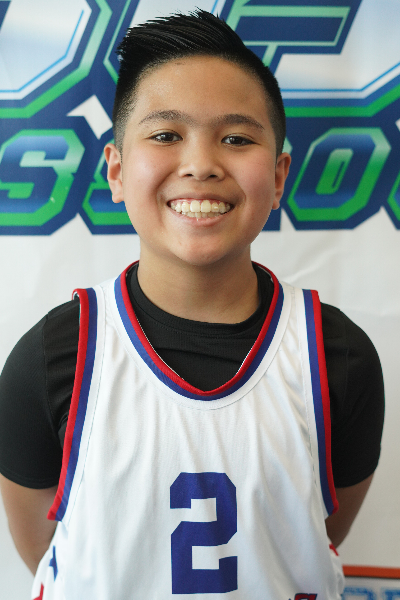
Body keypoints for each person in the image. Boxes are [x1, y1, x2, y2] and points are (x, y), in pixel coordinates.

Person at [0, 10, 384, 600]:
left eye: (237, 138)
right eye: (165, 135)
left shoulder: (339, 357)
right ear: (117, 171)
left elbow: (318, 534)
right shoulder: (52, 359)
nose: (201, 164)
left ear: (279, 176)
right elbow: (48, 552)